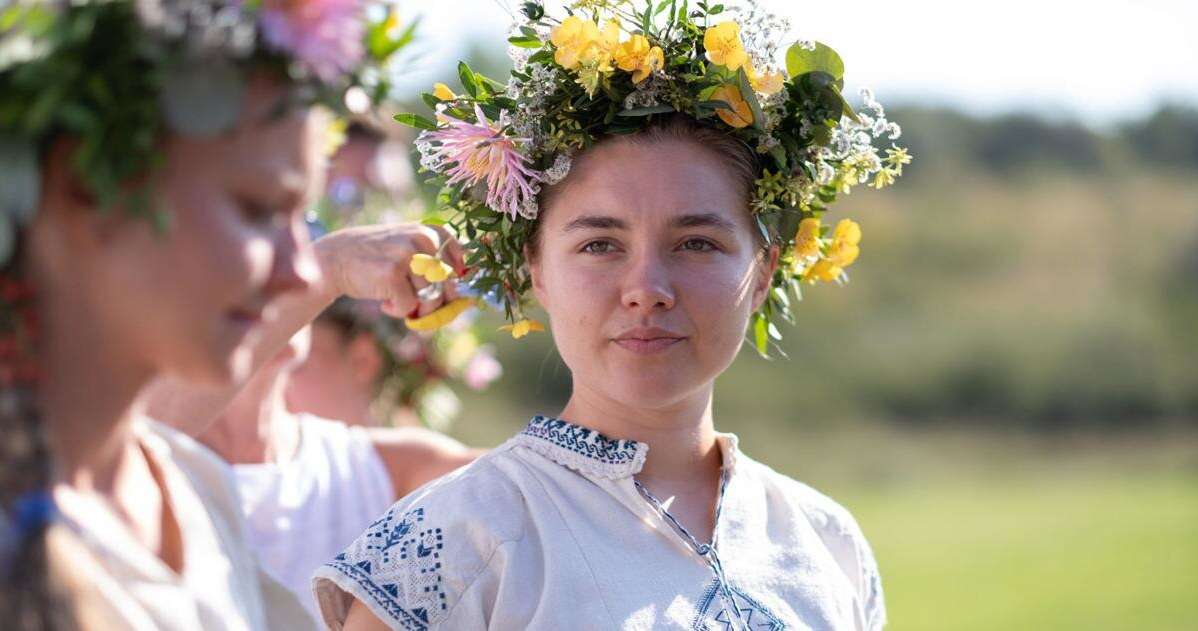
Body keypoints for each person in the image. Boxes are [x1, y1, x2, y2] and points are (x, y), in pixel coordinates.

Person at [314, 1, 910, 629]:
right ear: (535, 267)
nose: (646, 288)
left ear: (763, 271)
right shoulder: (456, 541)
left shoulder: (825, 542)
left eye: (697, 243)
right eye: (600, 244)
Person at [0, 2, 471, 629]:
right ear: (86, 188)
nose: (302, 273)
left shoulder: (191, 488)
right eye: (256, 211)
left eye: (301, 219)